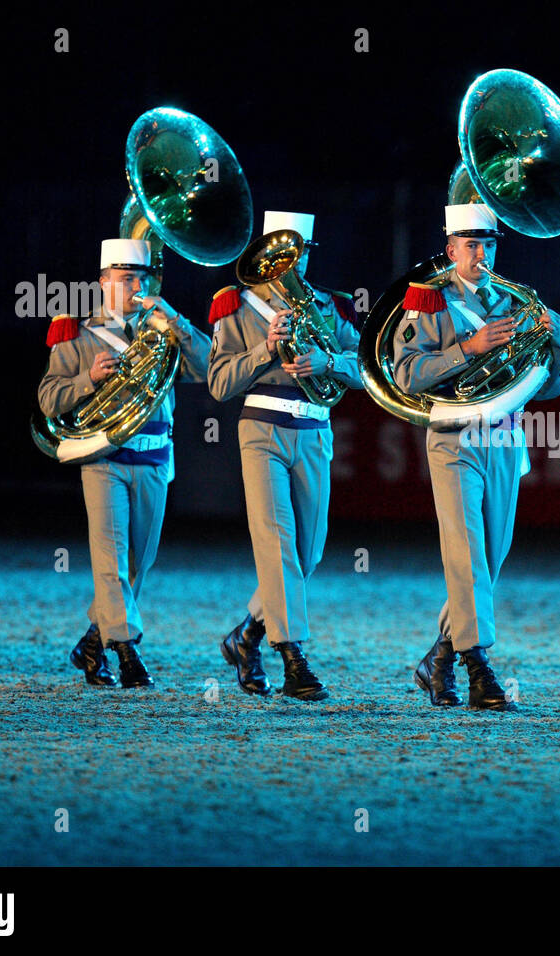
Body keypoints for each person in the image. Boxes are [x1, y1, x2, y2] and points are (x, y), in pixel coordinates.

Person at [395, 203, 560, 711]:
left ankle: (438, 659)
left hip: (504, 438)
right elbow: (407, 374)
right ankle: (479, 670)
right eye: (471, 245)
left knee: (490, 559)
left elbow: (547, 387)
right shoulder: (427, 302)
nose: (482, 253)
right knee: (468, 555)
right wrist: (466, 349)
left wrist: (558, 344)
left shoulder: (511, 304)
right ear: (450, 250)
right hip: (453, 437)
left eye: (489, 244)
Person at [39, 238, 211, 688]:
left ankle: (93, 645)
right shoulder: (75, 334)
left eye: (140, 278)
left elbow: (211, 367)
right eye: (124, 279)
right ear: (103, 283)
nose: (134, 286)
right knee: (110, 560)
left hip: (155, 458)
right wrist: (87, 378)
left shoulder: (163, 331)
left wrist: (174, 319)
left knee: (137, 565)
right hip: (104, 459)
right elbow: (48, 398)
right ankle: (128, 650)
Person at [207, 211, 363, 699]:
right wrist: (263, 349)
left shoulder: (330, 306)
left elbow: (368, 371)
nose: (287, 266)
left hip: (314, 428)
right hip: (261, 428)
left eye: (296, 254)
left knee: (306, 554)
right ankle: (294, 659)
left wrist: (330, 361)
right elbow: (218, 384)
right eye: (278, 256)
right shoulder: (236, 308)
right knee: (277, 544)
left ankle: (246, 636)